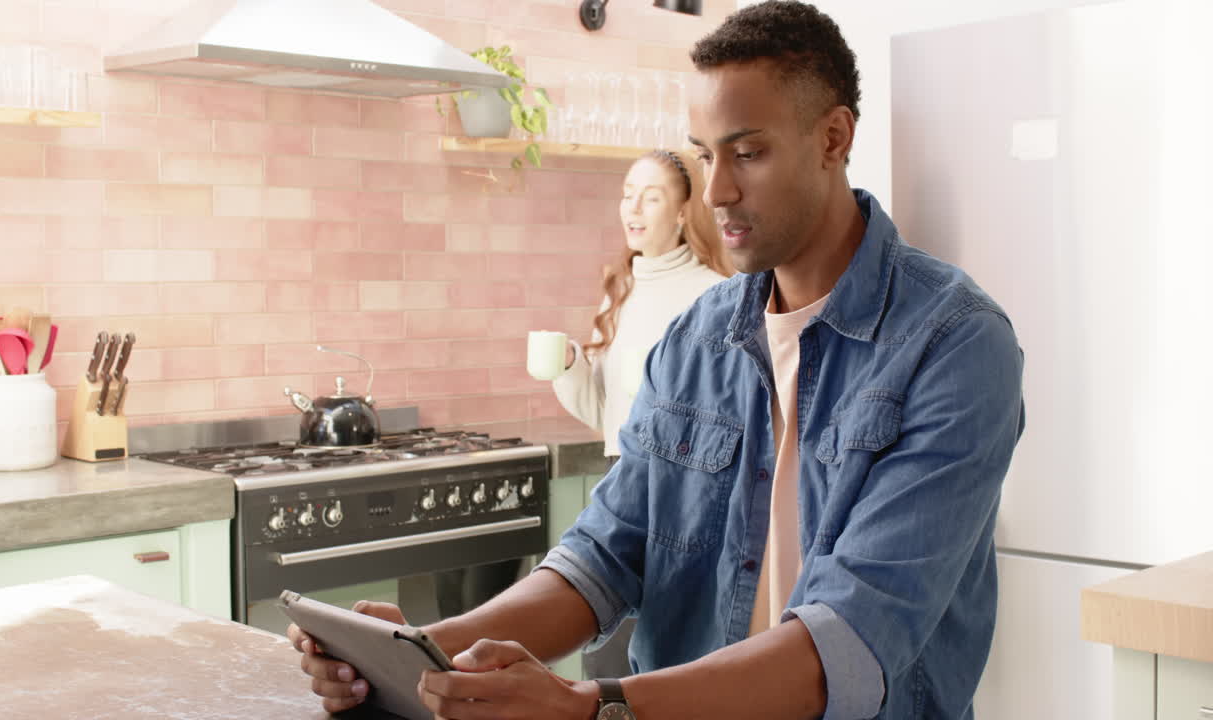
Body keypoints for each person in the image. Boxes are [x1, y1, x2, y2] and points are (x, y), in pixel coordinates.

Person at [290, 2, 1025, 719]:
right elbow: (605, 556)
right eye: (706, 155)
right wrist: (423, 653)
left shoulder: (954, 343)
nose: (717, 191)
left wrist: (592, 707)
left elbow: (848, 643)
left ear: (833, 138)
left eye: (748, 152)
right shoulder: (697, 336)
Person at [550, 148, 732, 679]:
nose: (633, 207)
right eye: (628, 194)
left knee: (668, 660)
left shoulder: (713, 295)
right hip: (622, 484)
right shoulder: (620, 289)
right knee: (606, 657)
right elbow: (603, 416)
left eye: (651, 197)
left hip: (687, 496)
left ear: (681, 213)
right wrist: (568, 368)